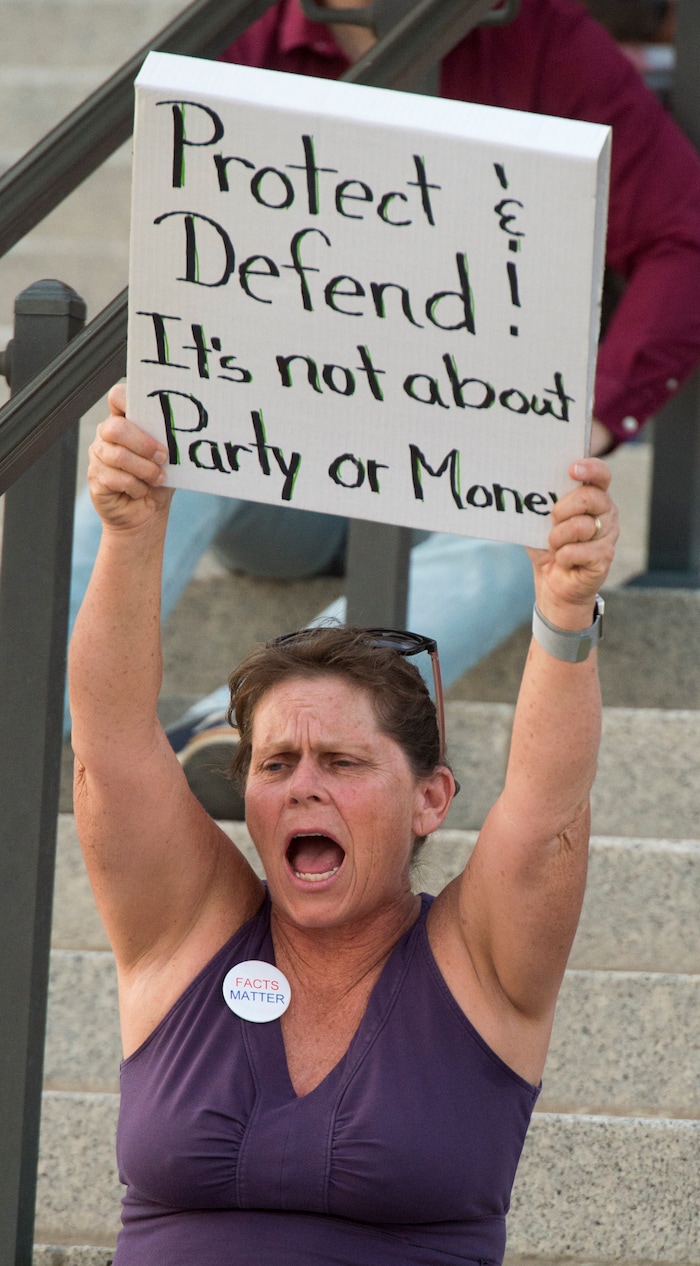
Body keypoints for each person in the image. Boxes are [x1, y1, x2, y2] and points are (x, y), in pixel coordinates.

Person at [66, 0, 700, 814]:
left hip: (465, 482)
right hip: (286, 478)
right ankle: (31, 692)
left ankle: (261, 734)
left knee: (537, 522)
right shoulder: (249, 37)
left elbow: (683, 235)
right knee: (170, 417)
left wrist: (594, 420)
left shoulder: (539, 35)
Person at [68, 381, 618, 1265]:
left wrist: (561, 616)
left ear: (432, 800)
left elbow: (548, 816)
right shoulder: (193, 928)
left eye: (345, 763)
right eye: (275, 764)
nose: (302, 788)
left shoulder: (476, 959)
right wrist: (133, 534)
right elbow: (113, 752)